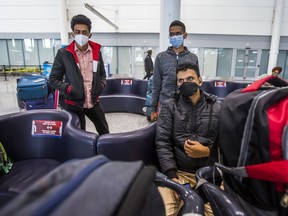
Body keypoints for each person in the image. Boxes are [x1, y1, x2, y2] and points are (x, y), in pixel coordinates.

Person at [156, 63, 222, 216]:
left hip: (211, 173)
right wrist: (172, 176)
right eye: (181, 80)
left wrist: (207, 152)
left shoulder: (218, 107)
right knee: (163, 211)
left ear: (199, 80)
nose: (185, 83)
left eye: (190, 78)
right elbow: (162, 142)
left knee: (215, 212)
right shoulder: (169, 106)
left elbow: (227, 145)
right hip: (179, 173)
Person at [49, 14, 109, 135]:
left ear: (89, 35)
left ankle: (106, 151)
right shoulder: (63, 54)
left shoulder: (97, 52)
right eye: (77, 32)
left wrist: (101, 85)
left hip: (93, 101)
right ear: (72, 34)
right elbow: (53, 79)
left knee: (104, 130)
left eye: (84, 32)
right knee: (80, 135)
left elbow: (102, 73)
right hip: (74, 104)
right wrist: (69, 88)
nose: (81, 35)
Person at [150, 20, 199, 122]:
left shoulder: (193, 58)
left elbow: (196, 84)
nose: (174, 36)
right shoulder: (161, 57)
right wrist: (153, 108)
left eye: (178, 33)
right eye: (172, 34)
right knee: (163, 134)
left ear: (184, 35)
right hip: (165, 105)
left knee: (182, 135)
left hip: (186, 106)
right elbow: (156, 85)